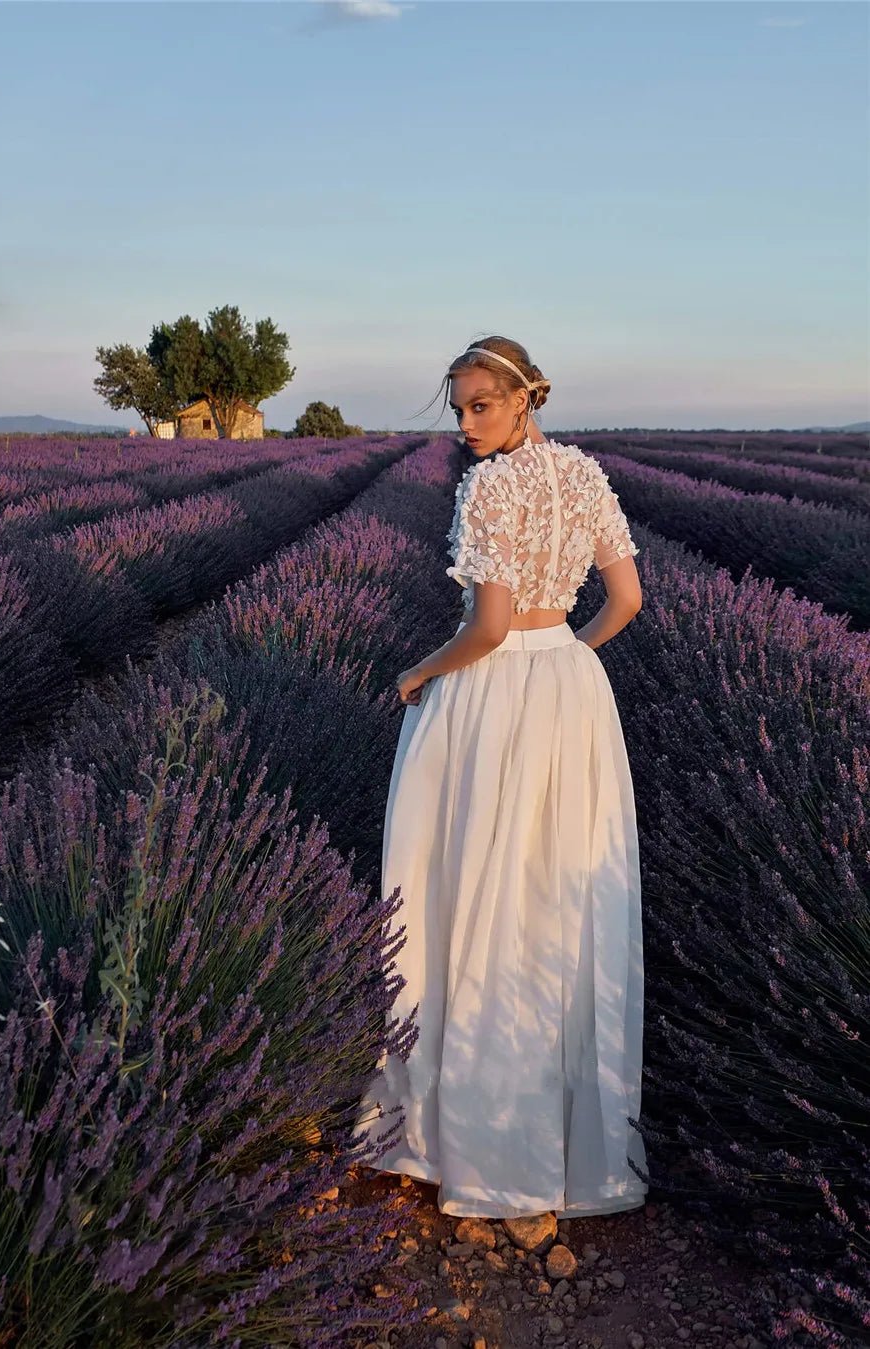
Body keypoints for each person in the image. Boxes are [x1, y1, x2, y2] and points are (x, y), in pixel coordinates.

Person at [348, 336, 649, 1221]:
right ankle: (565, 1143)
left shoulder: (488, 486)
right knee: (560, 899)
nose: (468, 423)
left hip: (492, 698)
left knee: (471, 887)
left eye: (483, 404)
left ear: (524, 401)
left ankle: (475, 1139)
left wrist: (421, 673)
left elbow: (487, 626)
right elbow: (624, 600)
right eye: (459, 409)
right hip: (571, 695)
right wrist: (566, 661)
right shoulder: (587, 475)